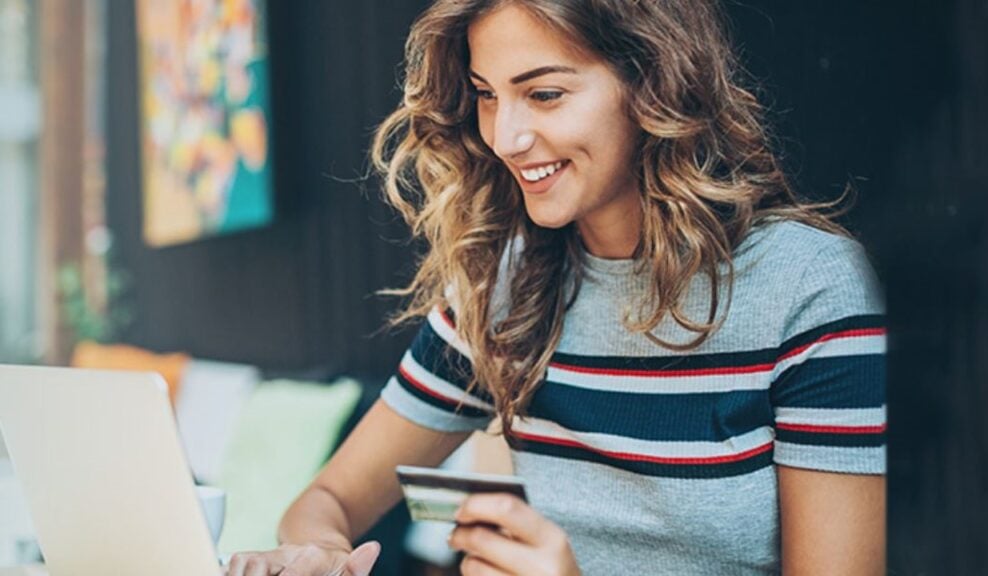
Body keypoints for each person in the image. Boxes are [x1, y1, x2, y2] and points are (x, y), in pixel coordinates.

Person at [226, 0, 886, 574]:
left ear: (652, 83)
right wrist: (316, 551)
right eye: (487, 94)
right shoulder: (501, 290)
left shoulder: (809, 289)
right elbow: (326, 502)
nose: (506, 137)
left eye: (544, 94)